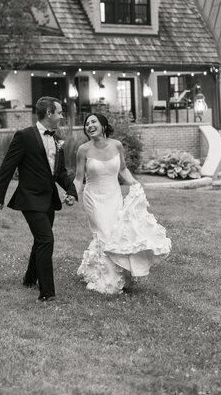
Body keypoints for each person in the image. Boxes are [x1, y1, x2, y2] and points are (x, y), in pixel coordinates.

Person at [0, 96, 78, 303]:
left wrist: (71, 191)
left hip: (48, 200)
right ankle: (47, 293)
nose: (62, 116)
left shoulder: (56, 139)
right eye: (60, 112)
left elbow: (61, 173)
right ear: (49, 114)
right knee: (47, 240)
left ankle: (29, 278)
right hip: (29, 198)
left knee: (40, 240)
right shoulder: (24, 136)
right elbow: (7, 167)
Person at [71, 113, 171, 295]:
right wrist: (72, 194)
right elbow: (78, 178)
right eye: (87, 124)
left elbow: (123, 169)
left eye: (93, 122)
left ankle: (111, 274)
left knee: (115, 233)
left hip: (114, 195)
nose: (89, 125)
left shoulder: (116, 145)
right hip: (93, 196)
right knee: (104, 234)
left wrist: (135, 184)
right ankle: (107, 281)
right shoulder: (83, 150)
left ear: (103, 125)